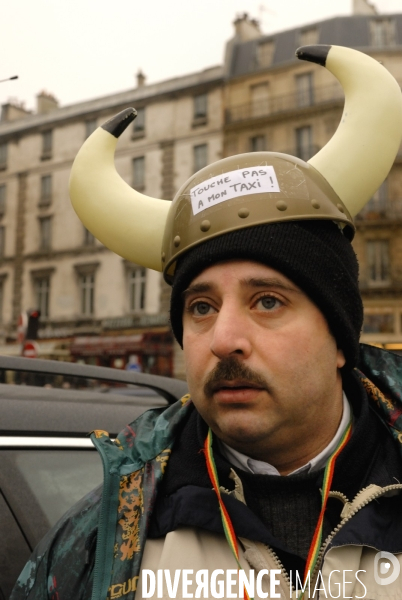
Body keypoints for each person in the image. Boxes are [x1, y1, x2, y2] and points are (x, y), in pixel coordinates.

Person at [11, 44, 402, 600]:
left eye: (267, 301)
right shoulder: (98, 543)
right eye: (201, 307)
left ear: (340, 336)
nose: (223, 340)